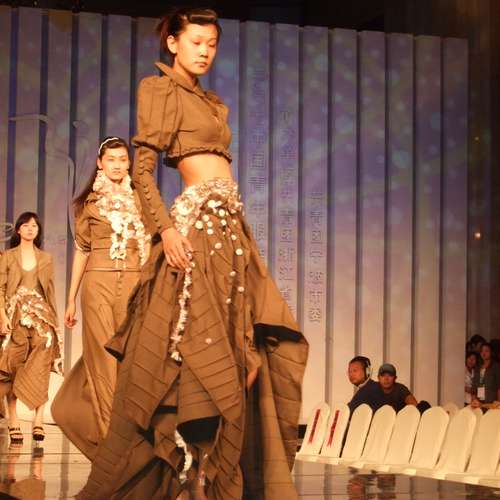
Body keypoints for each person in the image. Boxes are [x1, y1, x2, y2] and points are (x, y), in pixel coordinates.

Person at [77, 8, 308, 500]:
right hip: (194, 230)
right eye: (196, 41)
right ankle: (193, 474)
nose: (205, 51)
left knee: (243, 351)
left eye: (212, 43)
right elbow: (143, 172)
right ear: (173, 43)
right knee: (193, 347)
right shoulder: (158, 90)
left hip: (231, 233)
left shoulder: (213, 103)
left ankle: (212, 476)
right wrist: (166, 232)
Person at [51, 137, 150, 460]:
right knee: (103, 360)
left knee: (130, 360)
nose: (117, 165)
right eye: (111, 159)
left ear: (129, 163)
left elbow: (151, 246)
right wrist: (70, 299)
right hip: (98, 285)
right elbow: (82, 251)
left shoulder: (141, 199)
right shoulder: (88, 205)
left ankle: (131, 434)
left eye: (122, 159)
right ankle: (112, 444)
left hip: (133, 283)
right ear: (99, 163)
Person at [0, 212, 62, 445]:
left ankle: (38, 419)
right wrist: (2, 317)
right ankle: (13, 420)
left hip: (41, 317)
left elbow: (50, 291)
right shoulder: (7, 256)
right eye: (25, 225)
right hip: (14, 316)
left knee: (41, 365)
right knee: (13, 366)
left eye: (34, 226)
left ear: (38, 231)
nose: (30, 228)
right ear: (18, 230)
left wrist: (55, 323)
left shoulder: (46, 258)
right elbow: (1, 288)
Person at [471, 342, 500, 408]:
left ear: (491, 352)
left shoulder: (496, 366)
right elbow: (474, 385)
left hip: (492, 402)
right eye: (482, 351)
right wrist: (473, 399)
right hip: (478, 401)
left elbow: (499, 386)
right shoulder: (478, 367)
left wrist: (498, 402)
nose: (483, 353)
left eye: (486, 351)